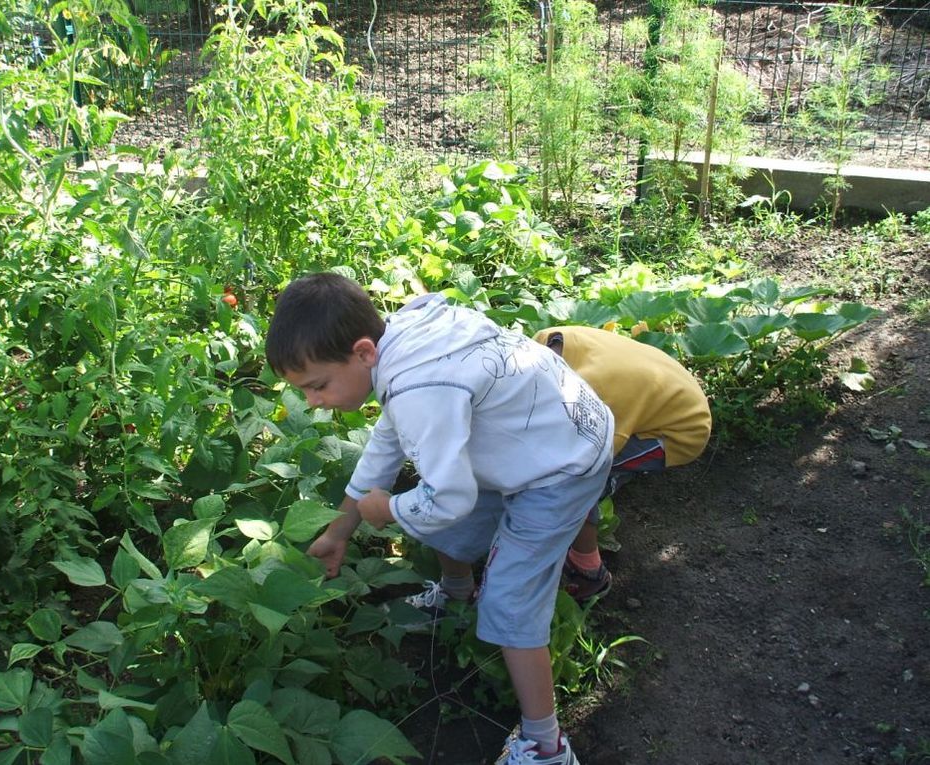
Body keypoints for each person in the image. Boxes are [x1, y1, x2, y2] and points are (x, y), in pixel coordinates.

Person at [265, 272, 615, 765]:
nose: (313, 402)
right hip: (533, 437)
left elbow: (446, 498)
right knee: (448, 523)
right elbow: (386, 446)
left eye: (317, 386)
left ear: (364, 352)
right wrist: (339, 530)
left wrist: (389, 510)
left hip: (561, 464)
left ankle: (547, 744)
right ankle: (454, 597)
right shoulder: (403, 344)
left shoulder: (419, 386)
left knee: (511, 599)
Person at [532, 326, 712, 602]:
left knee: (572, 485)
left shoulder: (590, 398)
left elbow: (583, 465)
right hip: (665, 388)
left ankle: (589, 569)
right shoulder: (544, 342)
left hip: (681, 429)